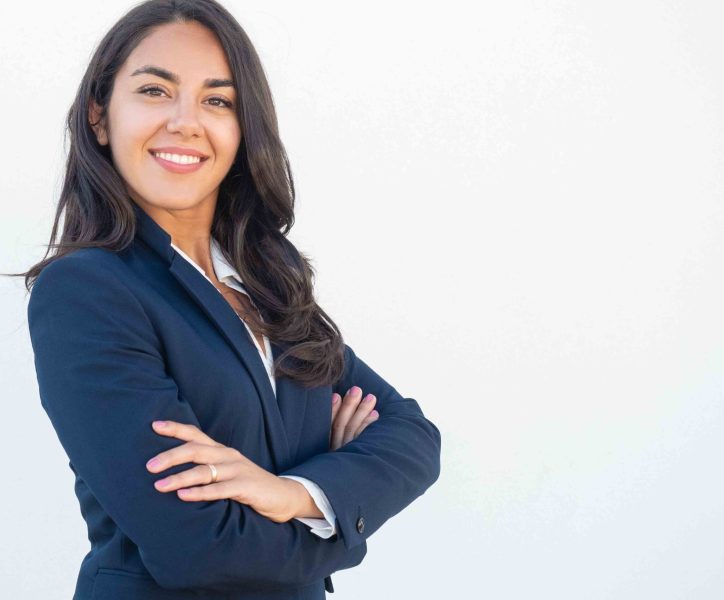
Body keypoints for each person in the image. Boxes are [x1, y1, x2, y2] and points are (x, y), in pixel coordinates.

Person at [22, 1, 441, 598]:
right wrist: (340, 514)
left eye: (217, 101)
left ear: (243, 130)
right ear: (99, 117)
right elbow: (200, 550)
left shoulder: (269, 279)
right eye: (154, 91)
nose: (186, 123)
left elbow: (412, 436)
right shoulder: (88, 292)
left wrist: (288, 494)